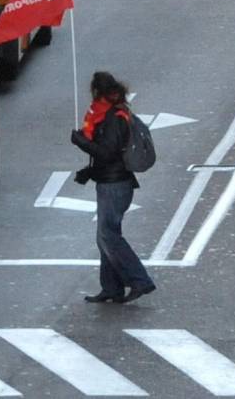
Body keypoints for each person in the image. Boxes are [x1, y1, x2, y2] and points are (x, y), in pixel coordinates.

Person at [70, 71, 156, 304]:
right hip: (112, 182)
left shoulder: (112, 118)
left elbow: (107, 153)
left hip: (115, 186)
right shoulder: (109, 114)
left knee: (108, 236)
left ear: (98, 91)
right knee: (106, 236)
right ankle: (111, 287)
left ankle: (140, 280)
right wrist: (89, 171)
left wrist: (82, 143)